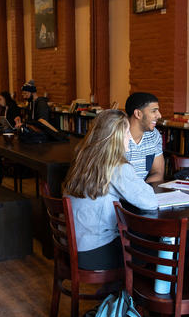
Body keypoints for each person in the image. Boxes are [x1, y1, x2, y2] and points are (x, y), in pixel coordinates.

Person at [64, 109, 157, 270]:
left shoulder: (82, 158)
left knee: (138, 239)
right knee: (157, 247)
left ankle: (117, 291)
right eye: (126, 132)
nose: (130, 137)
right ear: (115, 137)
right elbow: (151, 202)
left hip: (74, 247)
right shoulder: (117, 167)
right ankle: (131, 293)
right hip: (96, 252)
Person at [125, 92, 164, 182]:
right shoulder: (117, 136)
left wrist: (143, 191)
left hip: (141, 193)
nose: (159, 115)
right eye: (154, 111)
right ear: (138, 114)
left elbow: (157, 172)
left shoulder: (154, 135)